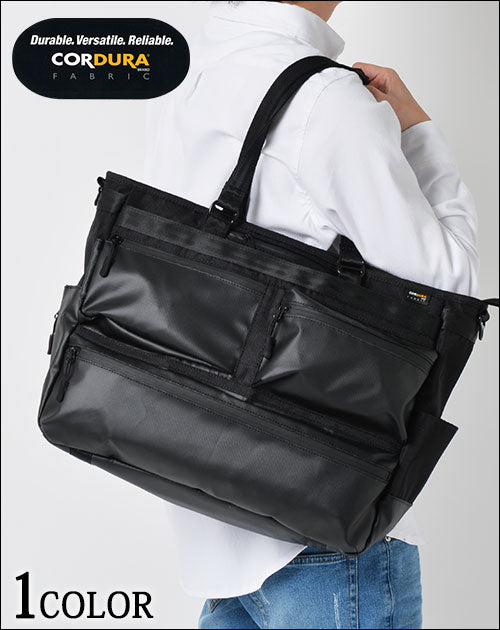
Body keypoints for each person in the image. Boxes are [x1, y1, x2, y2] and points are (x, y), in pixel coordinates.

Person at [145, 1, 479, 628]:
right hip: (323, 537)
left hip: (214, 535)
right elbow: (449, 283)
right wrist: (415, 129)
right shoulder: (324, 98)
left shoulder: (196, 72)